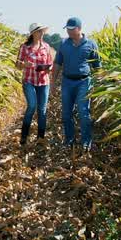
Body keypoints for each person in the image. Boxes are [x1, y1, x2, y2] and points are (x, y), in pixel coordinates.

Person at [53, 17, 100, 151]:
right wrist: (53, 82)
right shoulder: (63, 44)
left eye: (71, 29)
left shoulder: (91, 44)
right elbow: (57, 63)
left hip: (84, 82)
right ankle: (69, 140)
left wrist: (100, 85)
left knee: (83, 113)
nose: (68, 31)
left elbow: (97, 67)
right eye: (67, 29)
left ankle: (86, 142)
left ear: (79, 28)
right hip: (67, 82)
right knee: (66, 114)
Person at [15, 23, 54, 147]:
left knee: (42, 110)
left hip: (43, 81)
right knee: (32, 106)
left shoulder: (46, 47)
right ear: (32, 33)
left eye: (42, 31)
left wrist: (49, 68)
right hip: (29, 81)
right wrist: (24, 65)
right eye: (39, 31)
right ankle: (24, 136)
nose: (41, 33)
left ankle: (40, 138)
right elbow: (17, 64)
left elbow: (50, 63)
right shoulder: (25, 47)